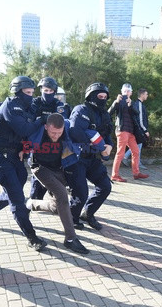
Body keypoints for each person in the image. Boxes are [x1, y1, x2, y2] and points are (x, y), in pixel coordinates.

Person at [0, 76, 48, 251]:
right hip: (1, 156)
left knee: (16, 187)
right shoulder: (11, 106)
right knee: (17, 199)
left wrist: (26, 148)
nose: (30, 96)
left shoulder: (26, 106)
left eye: (32, 92)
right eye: (27, 92)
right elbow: (24, 129)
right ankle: (32, 237)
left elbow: (28, 134)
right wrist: (40, 120)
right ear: (18, 91)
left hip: (17, 156)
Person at [24, 113, 90, 254]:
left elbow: (82, 134)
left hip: (58, 169)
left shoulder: (67, 129)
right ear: (46, 127)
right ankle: (71, 239)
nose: (56, 136)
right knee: (62, 196)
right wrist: (20, 151)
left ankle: (31, 204)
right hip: (40, 168)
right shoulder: (38, 131)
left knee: (57, 207)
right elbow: (22, 135)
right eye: (53, 132)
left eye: (59, 133)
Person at [65, 82, 113, 231]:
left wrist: (108, 146)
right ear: (91, 96)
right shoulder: (81, 110)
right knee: (81, 192)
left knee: (105, 186)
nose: (103, 99)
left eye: (105, 97)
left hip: (93, 159)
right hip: (77, 158)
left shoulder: (105, 114)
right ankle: (72, 218)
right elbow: (75, 131)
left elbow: (107, 135)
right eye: (100, 96)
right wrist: (94, 145)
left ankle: (88, 213)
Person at [29, 77, 69, 201]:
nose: (48, 93)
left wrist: (43, 119)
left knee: (55, 176)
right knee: (35, 195)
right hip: (39, 145)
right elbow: (30, 120)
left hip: (55, 146)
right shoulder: (35, 103)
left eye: (51, 91)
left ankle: (55, 198)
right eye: (45, 90)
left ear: (55, 91)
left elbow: (62, 119)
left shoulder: (58, 104)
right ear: (41, 90)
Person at [108, 83, 149, 182]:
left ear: (131, 92)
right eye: (125, 91)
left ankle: (136, 173)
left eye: (128, 91)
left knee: (136, 151)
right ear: (122, 92)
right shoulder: (119, 101)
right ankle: (114, 175)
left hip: (130, 132)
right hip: (122, 130)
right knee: (120, 153)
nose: (126, 93)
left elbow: (136, 113)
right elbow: (109, 112)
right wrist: (116, 102)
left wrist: (130, 104)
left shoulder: (132, 102)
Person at [123, 88, 150, 170]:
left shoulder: (137, 104)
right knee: (138, 147)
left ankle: (126, 158)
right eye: (146, 94)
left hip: (137, 128)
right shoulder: (139, 105)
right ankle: (136, 163)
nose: (147, 96)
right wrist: (145, 130)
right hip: (139, 129)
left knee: (137, 146)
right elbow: (140, 119)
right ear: (142, 95)